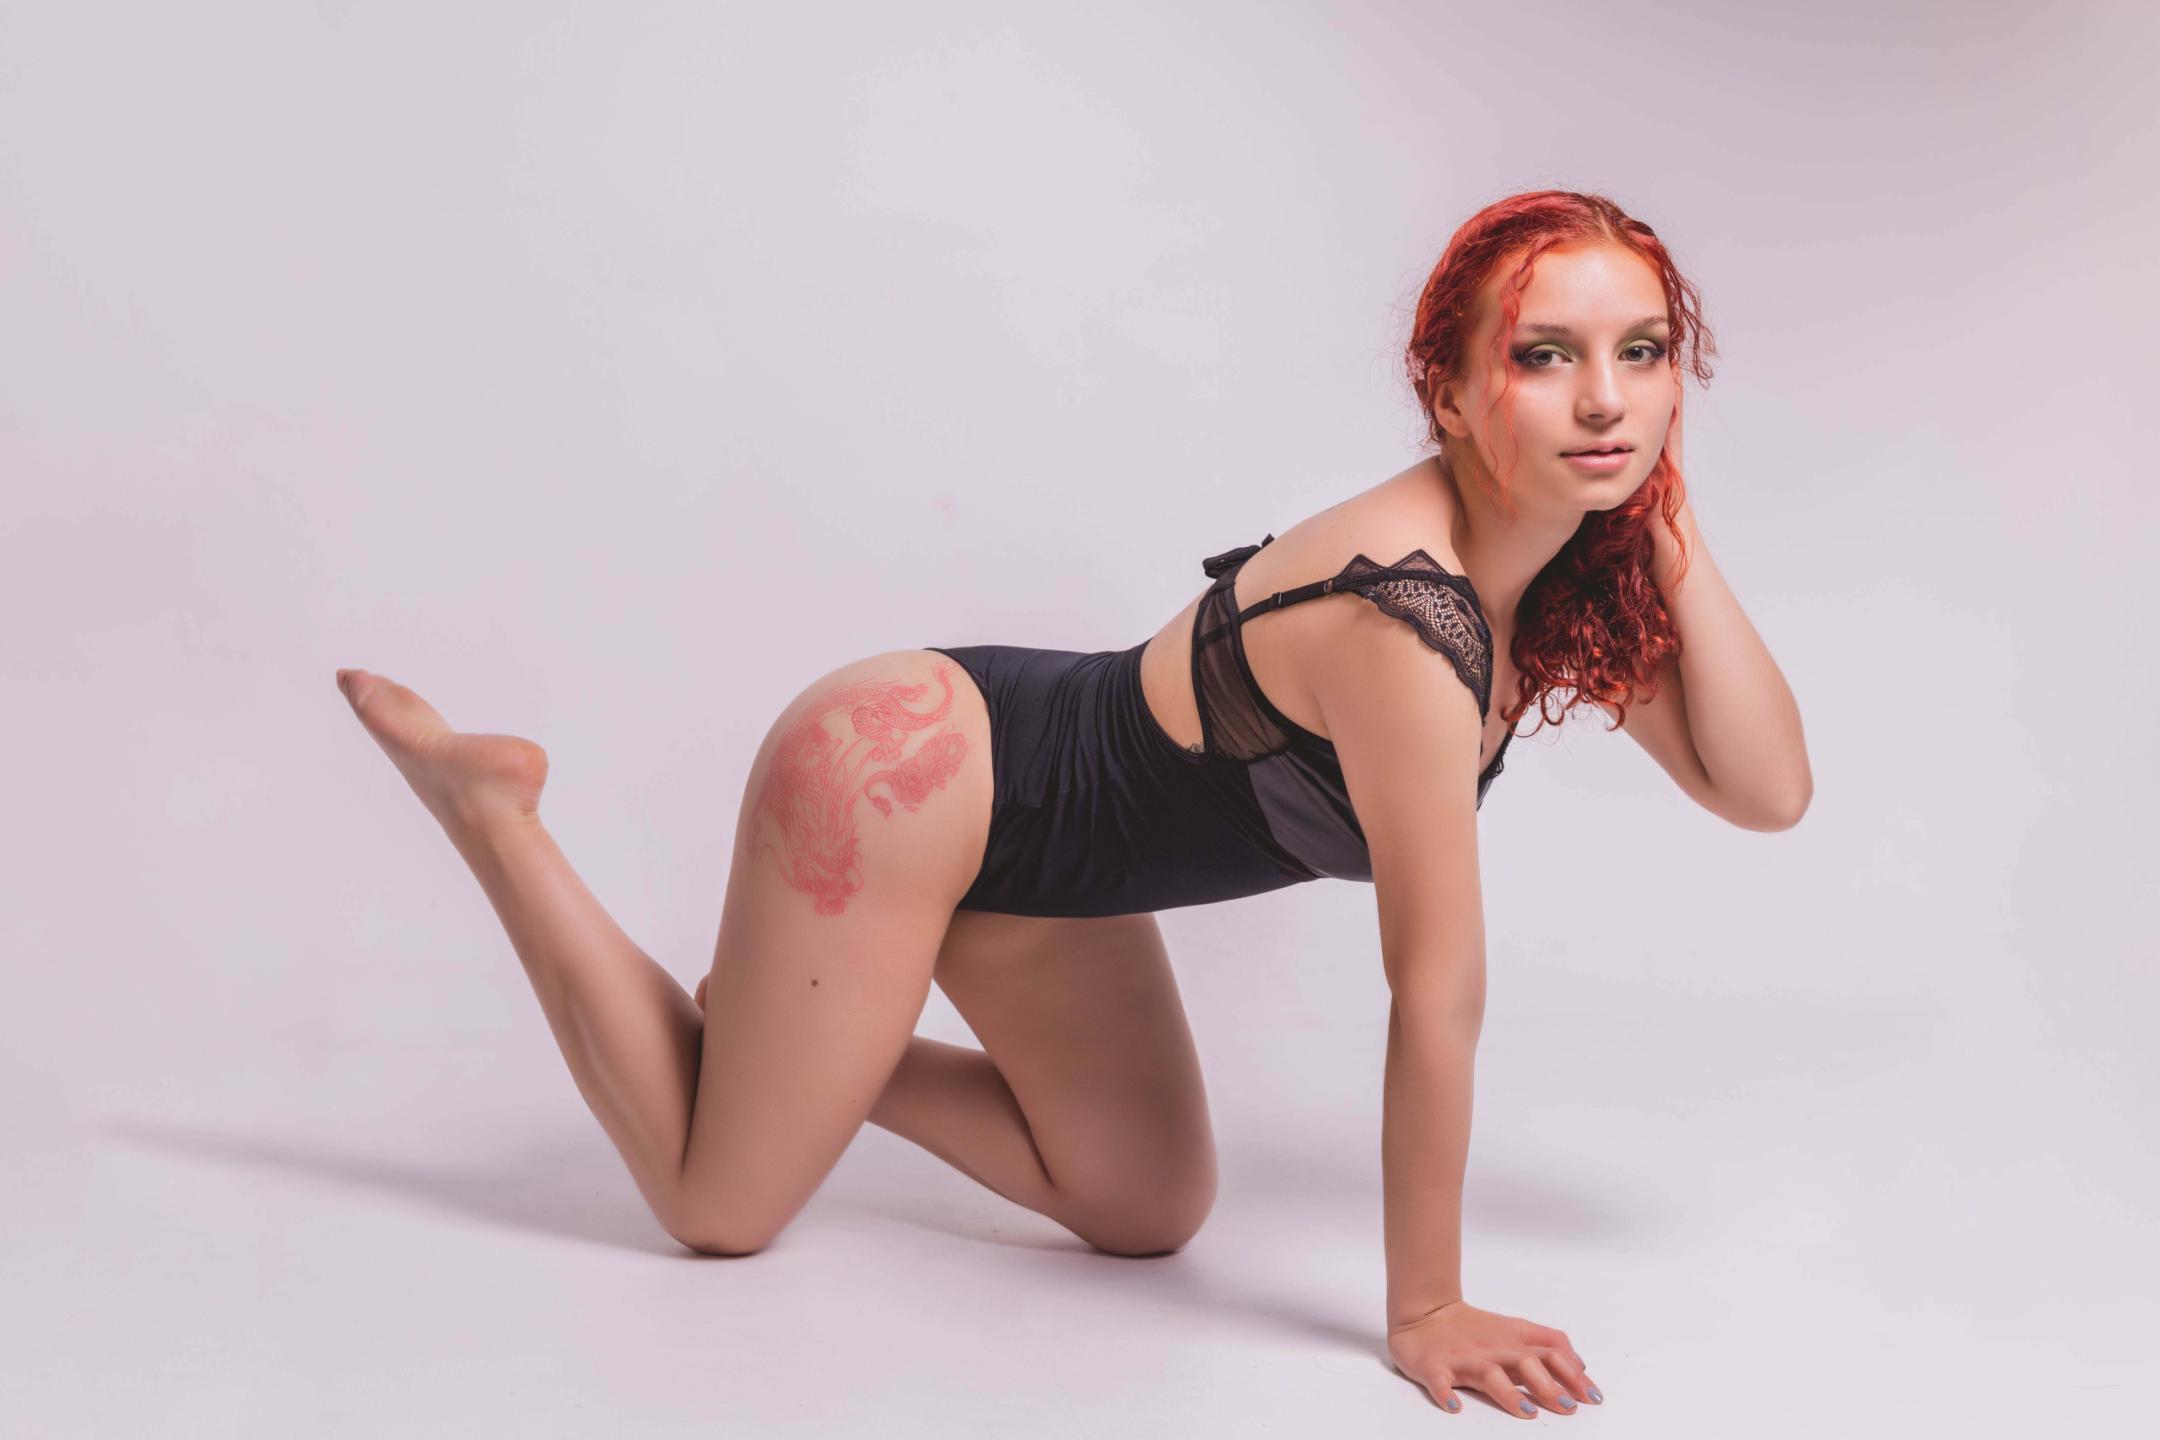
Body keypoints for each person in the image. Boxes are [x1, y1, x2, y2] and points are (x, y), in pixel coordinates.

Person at [333, 189, 1809, 1422]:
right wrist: (1427, 1305)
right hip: (910, 774)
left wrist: (1665, 515)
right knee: (716, 1208)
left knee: (1145, 1209)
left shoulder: (1555, 570)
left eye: (1644, 353)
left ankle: (793, 1035)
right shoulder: (1406, 620)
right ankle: (493, 814)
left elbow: (1763, 789)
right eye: (1547, 356)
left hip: (1048, 867)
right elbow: (1436, 989)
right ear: (1451, 391)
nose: (1606, 398)